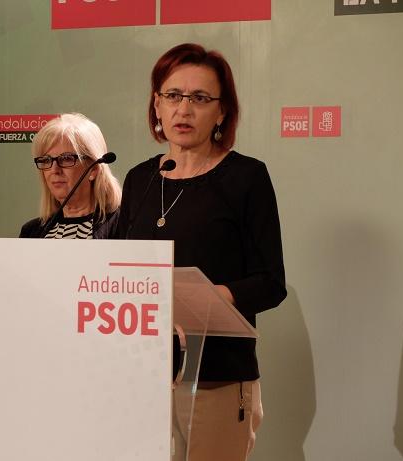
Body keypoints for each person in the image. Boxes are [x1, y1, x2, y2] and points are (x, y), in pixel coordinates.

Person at [118, 43, 287, 460]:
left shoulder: (246, 178)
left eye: (199, 98)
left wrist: (204, 299)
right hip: (140, 374)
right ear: (156, 105)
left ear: (222, 111)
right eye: (173, 95)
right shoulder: (140, 180)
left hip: (217, 375)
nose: (183, 109)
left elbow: (270, 282)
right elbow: (119, 270)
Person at [20, 112, 121, 239]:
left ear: (93, 169)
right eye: (46, 160)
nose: (54, 170)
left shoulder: (122, 225)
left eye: (66, 159)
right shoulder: (31, 231)